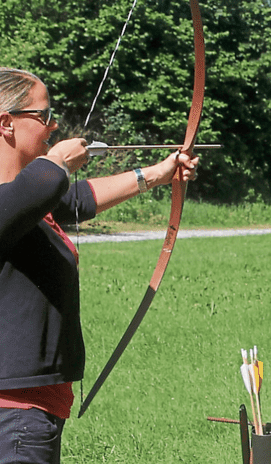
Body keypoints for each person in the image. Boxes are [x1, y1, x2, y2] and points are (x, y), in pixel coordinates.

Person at [0, 67, 199, 464]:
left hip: (31, 410)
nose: (53, 125)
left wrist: (158, 174)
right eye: (44, 116)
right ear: (6, 123)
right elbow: (43, 185)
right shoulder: (16, 200)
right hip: (13, 415)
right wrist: (59, 160)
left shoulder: (28, 201)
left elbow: (77, 199)